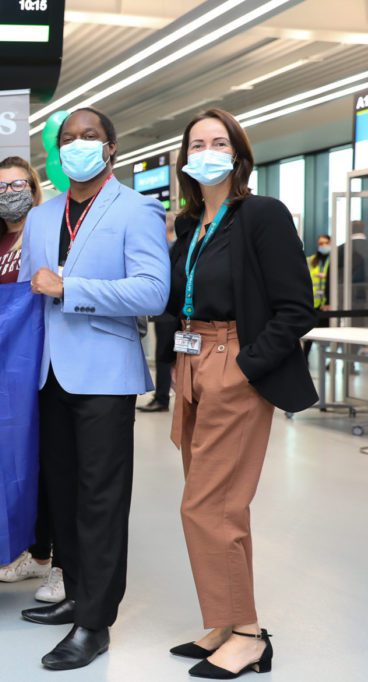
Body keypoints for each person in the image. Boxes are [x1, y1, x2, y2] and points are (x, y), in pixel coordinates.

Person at [163, 108, 317, 679]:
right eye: (195, 143)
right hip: (189, 360)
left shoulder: (261, 215)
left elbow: (297, 308)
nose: (205, 150)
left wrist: (244, 367)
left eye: (217, 141)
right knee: (218, 505)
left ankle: (249, 634)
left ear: (238, 154)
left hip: (233, 363)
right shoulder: (189, 225)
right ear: (184, 158)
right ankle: (227, 620)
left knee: (208, 504)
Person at [18, 107, 169, 671]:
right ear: (57, 153)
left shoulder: (136, 209)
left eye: (90, 136)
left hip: (105, 373)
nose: (79, 145)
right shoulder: (40, 217)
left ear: (110, 147)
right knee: (62, 493)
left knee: (101, 498)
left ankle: (95, 623)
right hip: (48, 372)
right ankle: (76, 593)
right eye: (69, 139)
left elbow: (153, 292)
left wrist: (71, 288)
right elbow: (26, 294)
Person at [0, 156, 64, 599]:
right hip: (3, 372)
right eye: (1, 185)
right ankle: (38, 552)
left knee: (53, 464)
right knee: (21, 464)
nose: (9, 192)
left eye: (18, 184)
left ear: (34, 189)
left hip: (42, 363)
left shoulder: (48, 233)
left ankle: (62, 562)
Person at [139, 214, 179, 413]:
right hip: (165, 308)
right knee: (163, 352)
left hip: (178, 308)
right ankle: (161, 396)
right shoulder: (158, 246)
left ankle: (164, 397)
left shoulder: (178, 245)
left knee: (168, 354)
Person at [304, 233, 332, 360]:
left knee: (328, 335)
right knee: (309, 335)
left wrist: (325, 276)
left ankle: (328, 361)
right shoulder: (311, 260)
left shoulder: (334, 260)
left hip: (327, 305)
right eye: (321, 243)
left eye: (326, 243)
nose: (323, 245)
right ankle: (305, 359)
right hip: (313, 304)